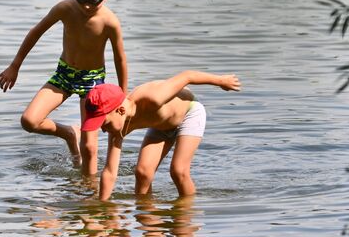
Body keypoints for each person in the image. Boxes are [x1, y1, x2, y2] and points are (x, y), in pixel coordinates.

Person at [0, 0, 128, 175]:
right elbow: (36, 32)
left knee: (89, 147)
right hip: (64, 73)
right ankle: (68, 133)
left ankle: (88, 191)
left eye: (93, 1)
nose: (86, 6)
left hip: (92, 81)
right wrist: (15, 66)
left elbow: (120, 58)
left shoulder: (109, 22)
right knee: (29, 121)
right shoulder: (65, 9)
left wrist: (123, 96)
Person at [82, 70, 242, 200]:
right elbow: (110, 172)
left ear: (121, 110)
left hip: (189, 113)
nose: (103, 130)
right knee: (143, 172)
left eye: (105, 124)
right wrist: (102, 205)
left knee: (178, 171)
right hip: (161, 125)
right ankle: (146, 212)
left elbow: (187, 76)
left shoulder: (152, 98)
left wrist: (221, 81)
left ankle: (186, 213)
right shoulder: (118, 127)